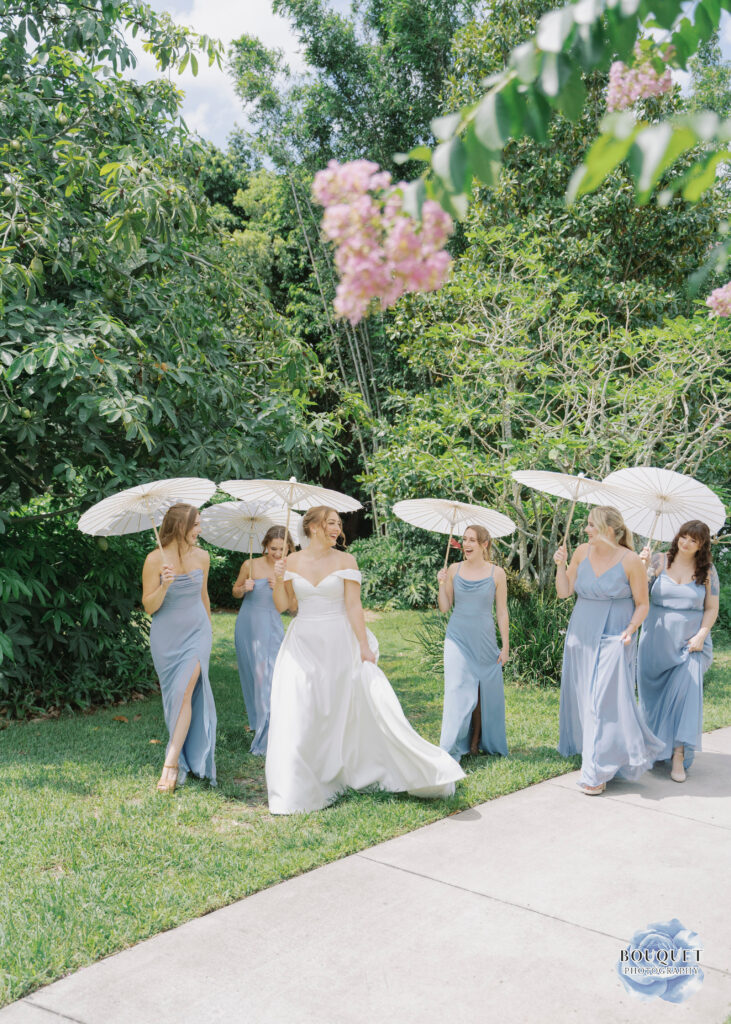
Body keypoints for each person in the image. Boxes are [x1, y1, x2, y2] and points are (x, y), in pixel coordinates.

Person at [265, 505, 465, 814]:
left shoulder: (346, 560)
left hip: (338, 642)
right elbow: (285, 606)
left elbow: (353, 606)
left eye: (338, 523)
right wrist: (278, 578)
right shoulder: (290, 561)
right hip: (302, 642)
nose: (337, 528)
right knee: (300, 707)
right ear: (314, 526)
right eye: (331, 523)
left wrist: (363, 645)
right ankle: (298, 786)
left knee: (338, 710)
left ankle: (341, 771)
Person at [554, 506, 663, 795]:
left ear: (610, 530)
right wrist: (559, 566)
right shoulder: (579, 553)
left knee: (602, 701)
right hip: (581, 633)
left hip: (616, 636)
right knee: (584, 699)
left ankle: (595, 771)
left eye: (591, 525)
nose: (586, 529)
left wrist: (629, 630)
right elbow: (564, 591)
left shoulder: (631, 561)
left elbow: (642, 604)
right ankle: (596, 754)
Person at [142, 504, 216, 793]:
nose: (199, 529)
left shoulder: (203, 556)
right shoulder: (153, 559)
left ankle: (170, 763)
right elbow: (149, 606)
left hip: (197, 633)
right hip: (167, 636)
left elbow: (204, 597)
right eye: (195, 524)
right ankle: (183, 754)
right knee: (176, 697)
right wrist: (164, 585)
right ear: (179, 527)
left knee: (186, 690)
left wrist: (208, 629)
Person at [637, 521, 719, 782]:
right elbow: (637, 594)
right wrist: (641, 567)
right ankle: (652, 748)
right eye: (683, 536)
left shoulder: (707, 571)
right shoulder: (659, 560)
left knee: (685, 697)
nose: (685, 542)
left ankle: (678, 757)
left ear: (702, 545)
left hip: (690, 645)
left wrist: (701, 635)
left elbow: (711, 608)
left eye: (693, 540)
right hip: (655, 643)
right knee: (654, 701)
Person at [437, 525, 509, 760]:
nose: (466, 545)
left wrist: (505, 646)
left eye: (472, 541)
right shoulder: (454, 569)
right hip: (457, 637)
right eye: (464, 540)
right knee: (457, 688)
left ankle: (476, 740)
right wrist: (441, 583)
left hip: (485, 639)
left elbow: (501, 612)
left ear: (484, 544)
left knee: (483, 691)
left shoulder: (497, 574)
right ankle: (449, 747)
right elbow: (445, 607)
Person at [232, 525, 296, 755]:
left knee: (267, 678)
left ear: (289, 548)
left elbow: (291, 606)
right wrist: (244, 588)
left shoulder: (289, 569)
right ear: (265, 546)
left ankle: (270, 735)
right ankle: (259, 724)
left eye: (282, 549)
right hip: (247, 626)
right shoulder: (250, 565)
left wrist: (279, 584)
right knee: (252, 678)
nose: (277, 553)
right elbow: (235, 591)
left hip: (269, 627)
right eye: (273, 548)